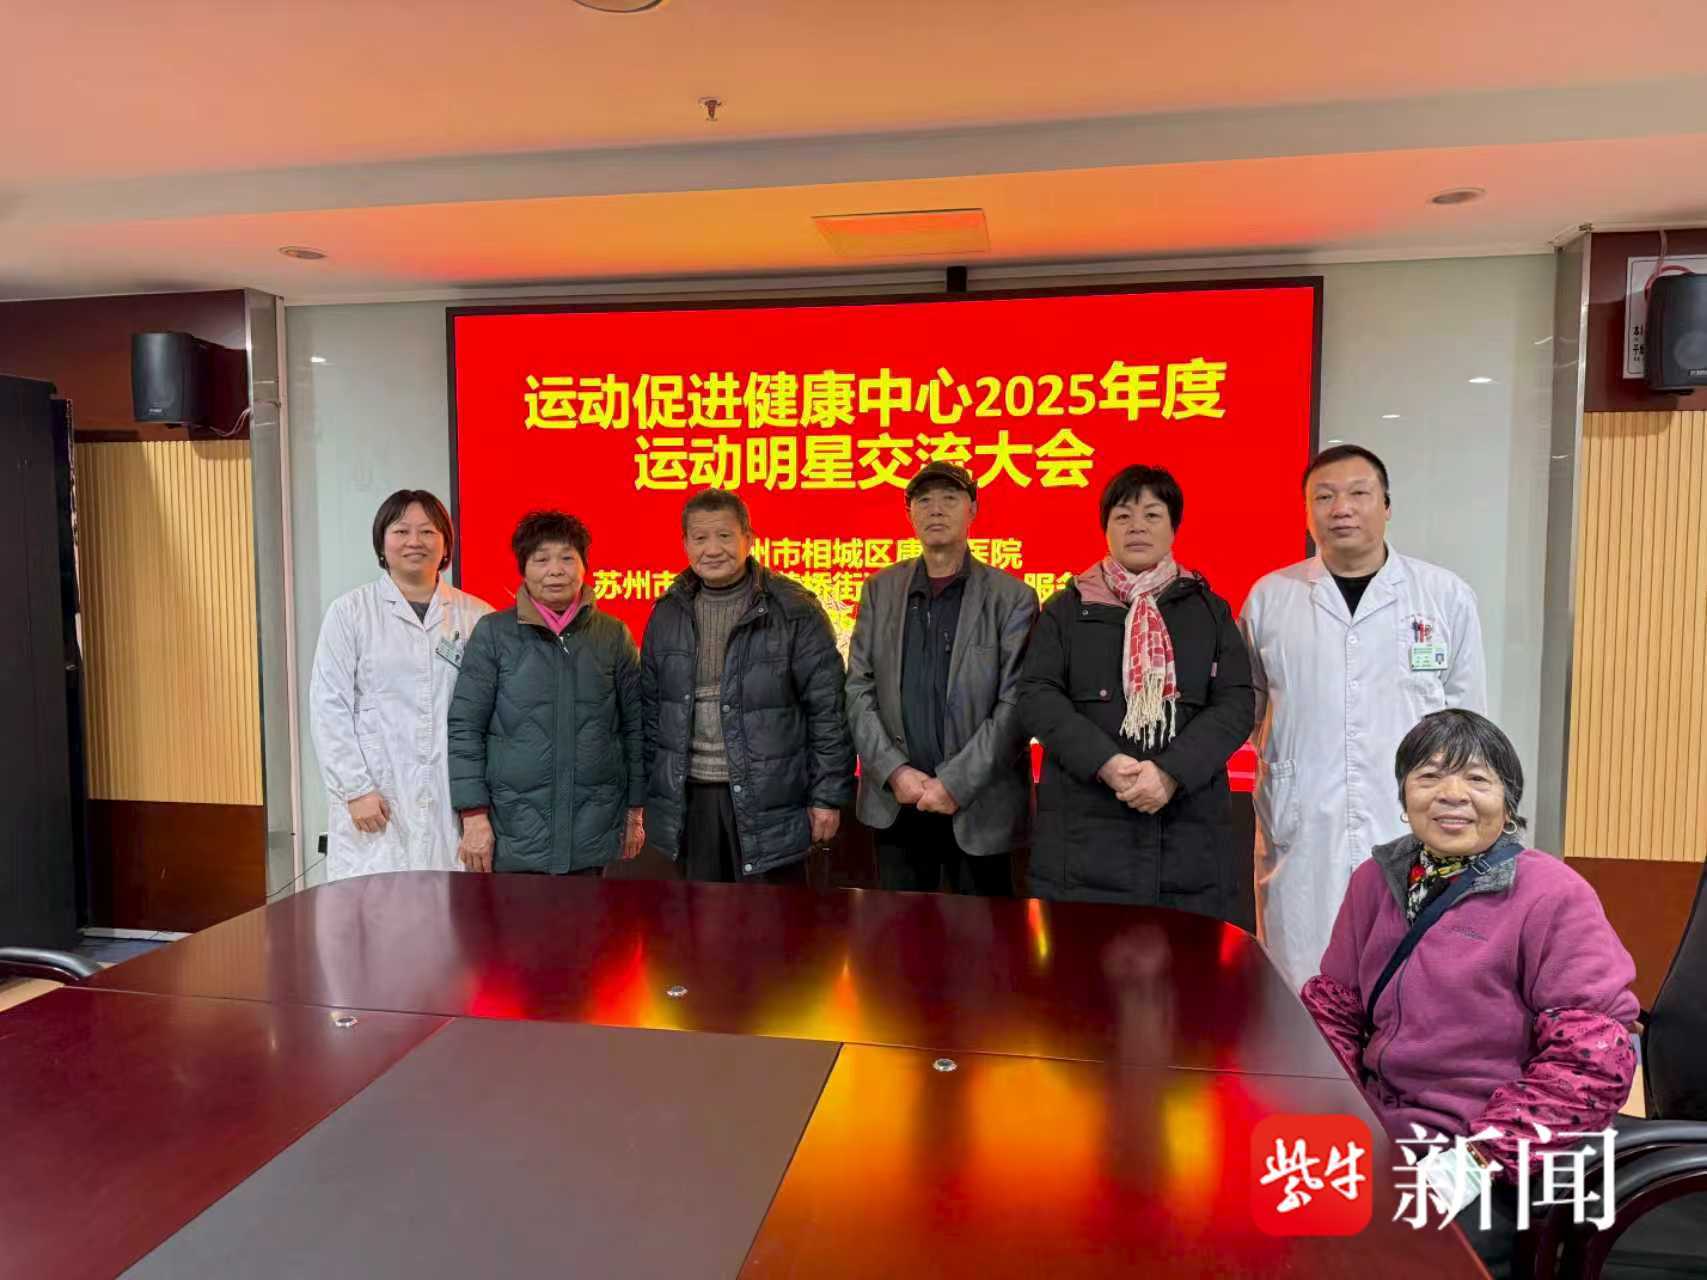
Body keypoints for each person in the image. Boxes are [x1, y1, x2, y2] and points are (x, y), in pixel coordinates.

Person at [1302, 710, 1637, 1279]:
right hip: (1384, 1131)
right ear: (1404, 795)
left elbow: (1592, 1060)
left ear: (1508, 802)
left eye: (1477, 779)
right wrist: (1329, 1110)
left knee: (1387, 1259)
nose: (1452, 795)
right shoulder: (1374, 880)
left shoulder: (1553, 894)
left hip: (1492, 1150)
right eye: (1429, 776)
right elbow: (1333, 1011)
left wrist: (1480, 1158)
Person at [1241, 444, 1487, 989]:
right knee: (1301, 980)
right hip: (1304, 822)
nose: (1341, 508)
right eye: (1324, 497)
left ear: (1387, 506)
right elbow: (1248, 710)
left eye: (1358, 493)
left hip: (1410, 820)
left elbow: (1468, 720)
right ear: (1306, 513)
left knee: (1412, 980)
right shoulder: (1270, 599)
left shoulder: (1443, 596)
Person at [1017, 464, 1254, 918]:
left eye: (1152, 515)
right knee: (1083, 958)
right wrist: (1105, 763)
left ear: (1173, 527)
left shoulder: (1209, 610)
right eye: (1123, 516)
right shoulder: (1066, 610)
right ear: (1105, 528)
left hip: (1188, 838)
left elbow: (1236, 702)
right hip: (1084, 839)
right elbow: (1037, 696)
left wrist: (1170, 772)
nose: (1137, 527)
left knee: (1187, 959)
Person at [640, 488, 853, 884]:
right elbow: (652, 713)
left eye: (724, 535)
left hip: (772, 799)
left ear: (749, 539)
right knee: (701, 917)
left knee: (772, 918)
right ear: (685, 544)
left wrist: (826, 796)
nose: (712, 549)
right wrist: (652, 799)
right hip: (693, 801)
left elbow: (828, 711)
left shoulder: (794, 609)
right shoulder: (667, 613)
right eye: (700, 538)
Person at [844, 461, 1038, 895]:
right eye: (924, 500)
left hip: (979, 806)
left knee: (983, 934)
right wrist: (894, 772)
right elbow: (858, 689)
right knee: (899, 931)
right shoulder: (879, 590)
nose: (936, 509)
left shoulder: (1012, 598)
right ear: (909, 513)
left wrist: (955, 782)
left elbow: (1016, 703)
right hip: (898, 802)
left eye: (950, 499)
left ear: (973, 511)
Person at [447, 510, 644, 875]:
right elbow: (465, 728)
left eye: (567, 558)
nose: (555, 570)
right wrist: (473, 816)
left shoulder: (613, 635)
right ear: (524, 569)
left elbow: (635, 729)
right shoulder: (493, 633)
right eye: (541, 559)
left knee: (589, 914)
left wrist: (635, 812)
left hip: (592, 834)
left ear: (584, 566)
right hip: (513, 834)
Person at [309, 490, 491, 880]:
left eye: (427, 531)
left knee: (449, 909)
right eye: (401, 531)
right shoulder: (350, 613)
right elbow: (329, 707)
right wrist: (355, 789)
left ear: (446, 544)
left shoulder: (477, 617)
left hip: (449, 801)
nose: (414, 541)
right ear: (382, 542)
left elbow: (489, 719)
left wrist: (478, 811)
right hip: (376, 799)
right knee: (375, 908)